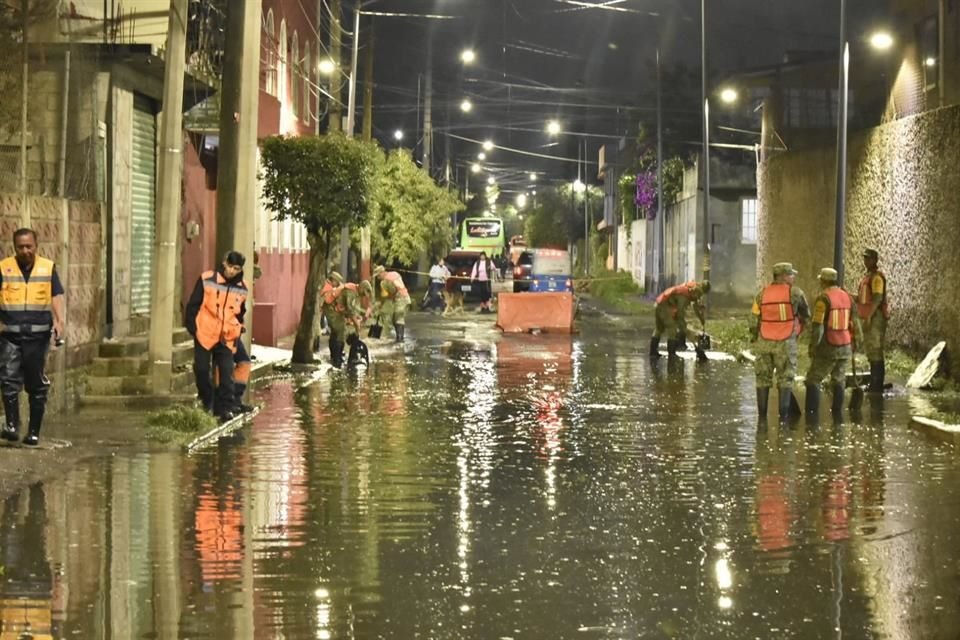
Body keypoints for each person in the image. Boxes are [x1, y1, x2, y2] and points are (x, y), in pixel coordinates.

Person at [0, 228, 65, 446]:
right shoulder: (4, 267)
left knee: (35, 382)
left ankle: (33, 432)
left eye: (29, 246)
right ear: (14, 247)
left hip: (38, 336)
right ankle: (12, 426)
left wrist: (59, 321)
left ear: (36, 246)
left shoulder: (47, 268)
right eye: (21, 247)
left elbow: (56, 295)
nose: (25, 250)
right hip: (10, 335)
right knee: (8, 379)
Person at [185, 251, 249, 422]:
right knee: (201, 370)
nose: (232, 271)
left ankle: (225, 408)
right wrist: (193, 328)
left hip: (226, 337)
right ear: (224, 263)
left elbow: (240, 313)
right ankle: (207, 401)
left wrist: (236, 330)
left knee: (227, 373)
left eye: (236, 268)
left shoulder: (242, 288)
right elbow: (193, 304)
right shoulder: (207, 279)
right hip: (205, 333)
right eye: (230, 267)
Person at [751, 262, 810, 423]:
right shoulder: (795, 293)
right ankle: (783, 419)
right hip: (786, 343)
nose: (793, 278)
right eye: (791, 275)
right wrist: (798, 333)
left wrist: (754, 338)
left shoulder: (761, 294)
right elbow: (806, 315)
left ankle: (762, 419)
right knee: (785, 379)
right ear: (783, 276)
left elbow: (753, 320)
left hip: (764, 343)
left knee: (762, 379)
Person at [804, 267, 861, 418]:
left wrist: (813, 346)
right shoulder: (847, 297)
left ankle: (811, 416)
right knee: (839, 379)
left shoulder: (823, 299)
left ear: (823, 281)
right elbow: (856, 322)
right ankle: (837, 414)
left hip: (828, 346)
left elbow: (818, 327)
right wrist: (857, 342)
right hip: (845, 346)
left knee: (813, 379)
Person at [649, 280, 710, 360]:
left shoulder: (691, 287)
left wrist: (701, 319)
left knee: (659, 329)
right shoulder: (684, 295)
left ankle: (653, 352)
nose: (698, 298)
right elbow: (680, 313)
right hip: (665, 306)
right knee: (672, 328)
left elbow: (694, 306)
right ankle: (671, 354)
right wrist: (684, 327)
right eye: (698, 295)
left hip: (659, 302)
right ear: (695, 292)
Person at [857, 249, 889, 392]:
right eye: (865, 258)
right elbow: (863, 299)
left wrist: (869, 316)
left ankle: (877, 385)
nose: (866, 261)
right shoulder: (867, 277)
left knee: (875, 349)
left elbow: (877, 298)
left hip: (876, 318)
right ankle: (874, 383)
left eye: (869, 259)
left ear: (875, 260)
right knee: (871, 349)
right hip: (869, 316)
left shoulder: (876, 278)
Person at [331, 280, 374, 366]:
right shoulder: (351, 291)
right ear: (362, 288)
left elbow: (353, 308)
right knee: (340, 332)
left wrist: (363, 314)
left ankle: (338, 355)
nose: (363, 296)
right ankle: (337, 359)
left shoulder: (355, 293)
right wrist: (356, 323)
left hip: (339, 311)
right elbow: (349, 308)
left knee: (340, 333)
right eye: (363, 294)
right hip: (333, 310)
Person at [373, 265, 411, 341]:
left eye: (378, 276)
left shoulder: (384, 282)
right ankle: (399, 338)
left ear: (382, 273)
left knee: (398, 318)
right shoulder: (395, 273)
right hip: (406, 298)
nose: (378, 278)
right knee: (396, 318)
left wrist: (381, 304)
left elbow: (387, 296)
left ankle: (400, 339)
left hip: (400, 300)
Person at [320, 271, 345, 365]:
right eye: (337, 282)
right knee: (337, 333)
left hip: (327, 314)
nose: (337, 284)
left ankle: (335, 356)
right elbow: (328, 300)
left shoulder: (327, 286)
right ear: (333, 280)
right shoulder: (327, 287)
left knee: (334, 334)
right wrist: (337, 291)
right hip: (328, 315)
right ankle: (336, 357)